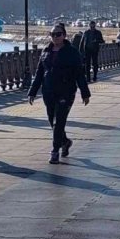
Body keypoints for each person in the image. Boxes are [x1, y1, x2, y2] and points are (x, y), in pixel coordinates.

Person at [28, 23, 91, 164]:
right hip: (48, 91)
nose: (55, 37)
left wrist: (85, 93)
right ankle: (65, 141)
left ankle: (55, 150)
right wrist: (32, 91)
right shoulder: (46, 51)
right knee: (52, 121)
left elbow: (79, 74)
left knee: (59, 121)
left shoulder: (72, 52)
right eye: (52, 34)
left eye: (58, 34)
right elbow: (39, 73)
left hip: (66, 91)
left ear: (64, 35)